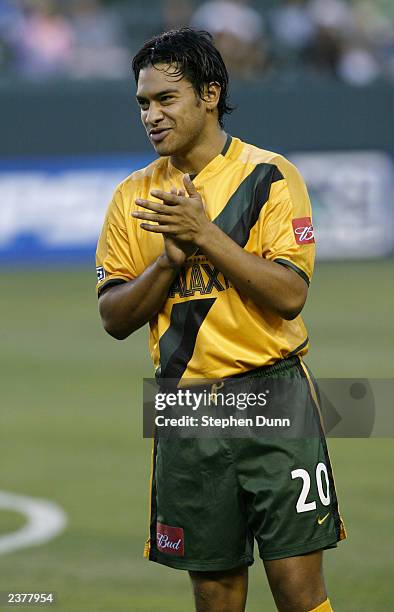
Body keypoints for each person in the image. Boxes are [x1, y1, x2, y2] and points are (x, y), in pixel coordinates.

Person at [96, 28, 346, 612]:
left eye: (165, 100)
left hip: (274, 397)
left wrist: (205, 235)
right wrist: (168, 263)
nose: (151, 116)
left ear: (210, 94)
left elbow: (290, 295)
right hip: (187, 409)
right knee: (213, 592)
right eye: (142, 104)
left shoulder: (268, 177)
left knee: (298, 589)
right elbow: (112, 317)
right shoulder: (133, 196)